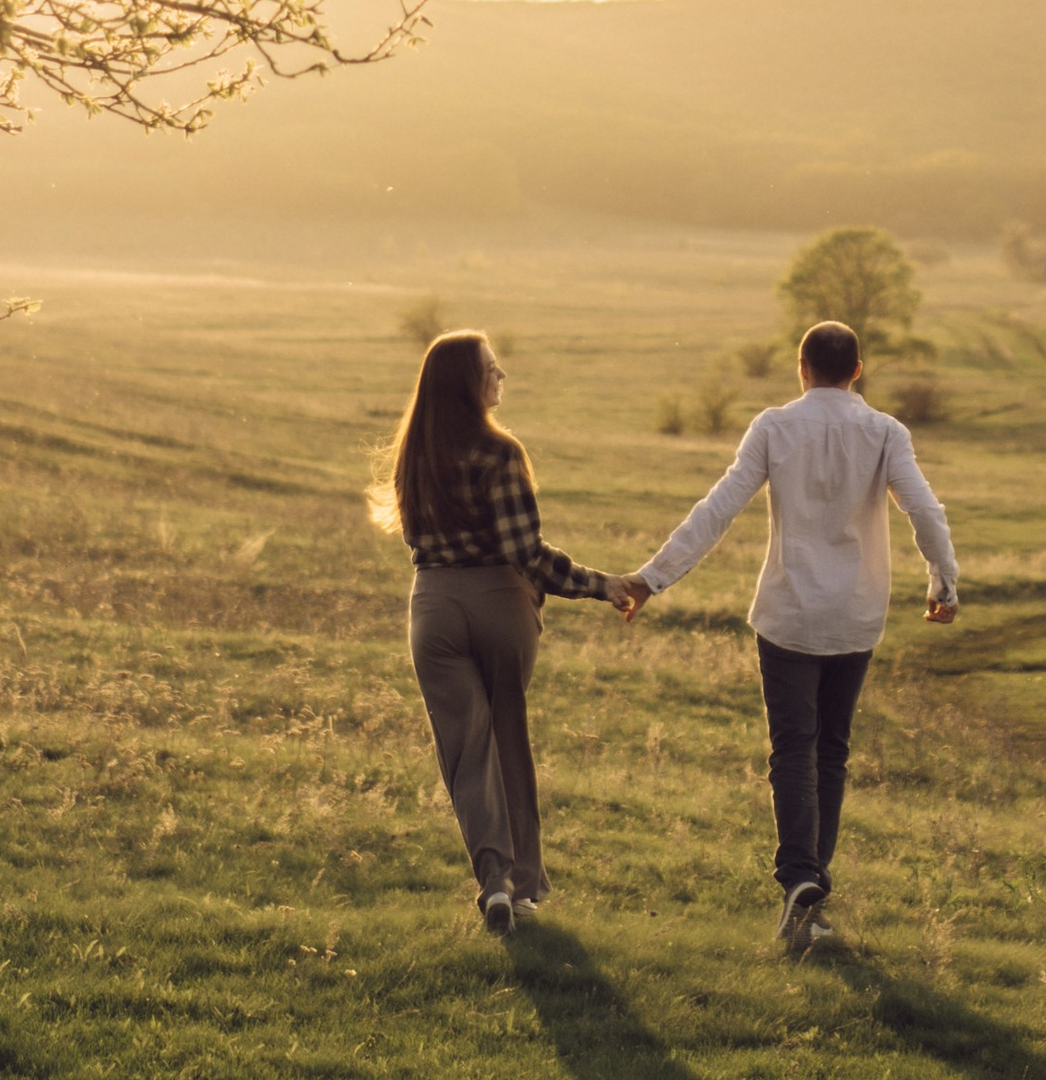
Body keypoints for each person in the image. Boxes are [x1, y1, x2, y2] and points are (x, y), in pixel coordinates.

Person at [621, 320, 960, 954]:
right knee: (830, 752)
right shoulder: (886, 432)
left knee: (793, 751)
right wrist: (943, 582)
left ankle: (801, 881)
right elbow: (924, 508)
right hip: (856, 617)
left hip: (788, 614)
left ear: (800, 368)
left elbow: (718, 508)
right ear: (857, 370)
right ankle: (809, 894)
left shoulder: (774, 426)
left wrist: (651, 578)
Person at [378, 330, 627, 938]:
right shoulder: (500, 452)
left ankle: (491, 882)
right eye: (492, 369)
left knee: (466, 751)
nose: (501, 377)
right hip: (498, 603)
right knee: (508, 736)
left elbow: (415, 539)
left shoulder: (412, 452)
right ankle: (520, 890)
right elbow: (526, 551)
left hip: (433, 604)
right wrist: (603, 585)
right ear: (468, 381)